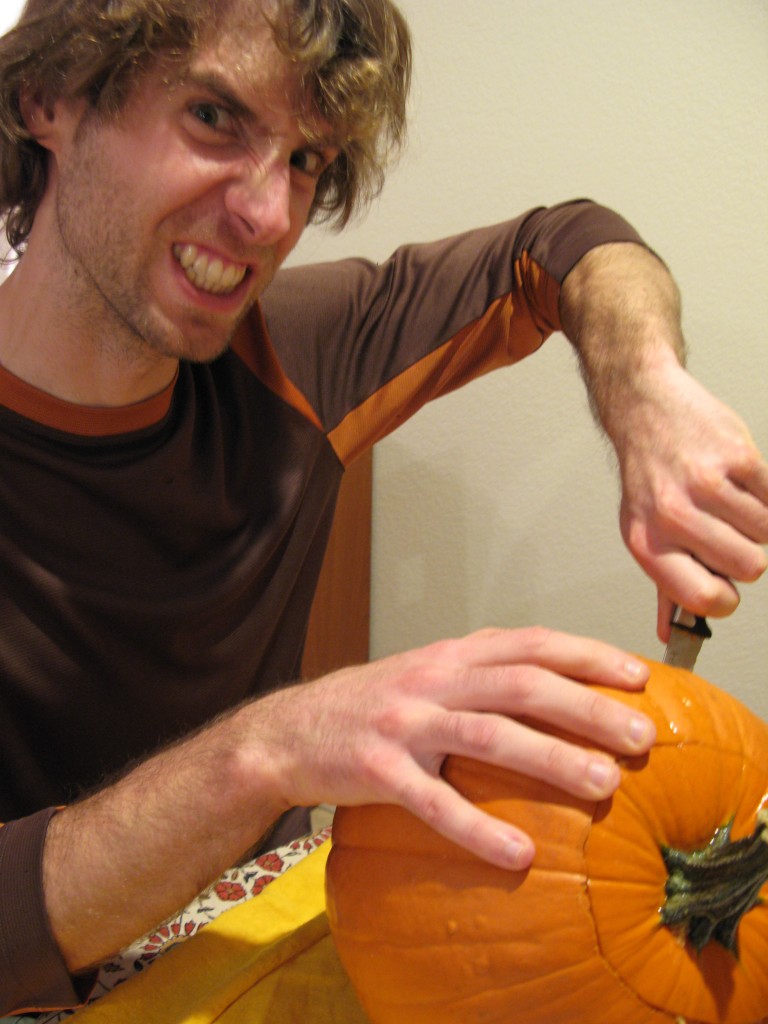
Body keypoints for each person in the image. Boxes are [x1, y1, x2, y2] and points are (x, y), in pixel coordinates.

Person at [0, 0, 766, 1013]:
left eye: (308, 160)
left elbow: (560, 244)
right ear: (45, 98)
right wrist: (267, 751)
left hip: (272, 957)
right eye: (214, 119)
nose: (269, 217)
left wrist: (647, 393)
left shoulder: (294, 357)